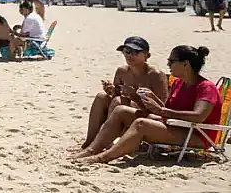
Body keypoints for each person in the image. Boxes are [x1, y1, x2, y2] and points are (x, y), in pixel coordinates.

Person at [74, 45, 223, 163]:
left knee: (141, 124)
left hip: (197, 135)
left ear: (185, 64)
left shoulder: (205, 87)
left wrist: (161, 110)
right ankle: (91, 150)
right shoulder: (179, 83)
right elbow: (166, 110)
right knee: (121, 110)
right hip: (177, 127)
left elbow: (198, 116)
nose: (168, 65)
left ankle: (102, 158)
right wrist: (142, 98)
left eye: (171, 62)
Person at [82, 36, 168, 148]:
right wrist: (112, 91)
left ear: (147, 56)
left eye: (135, 52)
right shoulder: (122, 71)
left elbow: (161, 107)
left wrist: (135, 97)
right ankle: (90, 141)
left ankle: (103, 143)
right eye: (126, 51)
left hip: (148, 115)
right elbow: (117, 96)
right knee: (101, 96)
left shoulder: (155, 75)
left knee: (118, 101)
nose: (129, 55)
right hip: (125, 109)